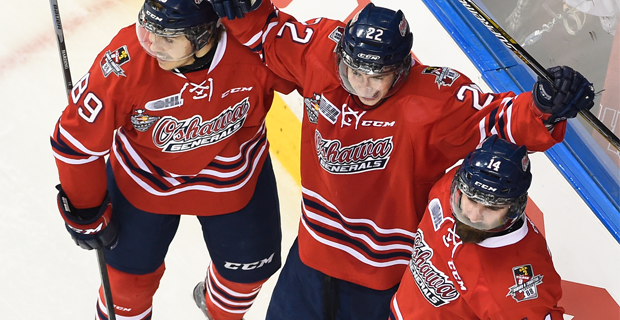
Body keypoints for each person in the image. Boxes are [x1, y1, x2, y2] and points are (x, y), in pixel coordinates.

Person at [207, 1, 594, 319]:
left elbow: (501, 120)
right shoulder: (321, 54)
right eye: (354, 71)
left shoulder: (434, 100)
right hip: (309, 259)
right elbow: (270, 35)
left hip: (379, 281)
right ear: (340, 52)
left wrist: (546, 105)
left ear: (403, 67)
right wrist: (242, 7)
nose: (363, 85)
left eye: (379, 75)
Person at [50, 0, 296, 319]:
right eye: (148, 29)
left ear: (203, 36)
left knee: (245, 278)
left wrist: (259, 11)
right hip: (143, 182)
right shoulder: (126, 60)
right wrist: (85, 210)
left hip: (236, 182)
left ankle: (217, 306)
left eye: (167, 37)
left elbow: (319, 74)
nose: (151, 44)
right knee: (126, 286)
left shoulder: (254, 51)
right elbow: (75, 140)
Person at [389, 135, 565, 319]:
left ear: (515, 207)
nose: (473, 217)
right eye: (471, 200)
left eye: (492, 207)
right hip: (400, 308)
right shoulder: (452, 184)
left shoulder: (516, 287)